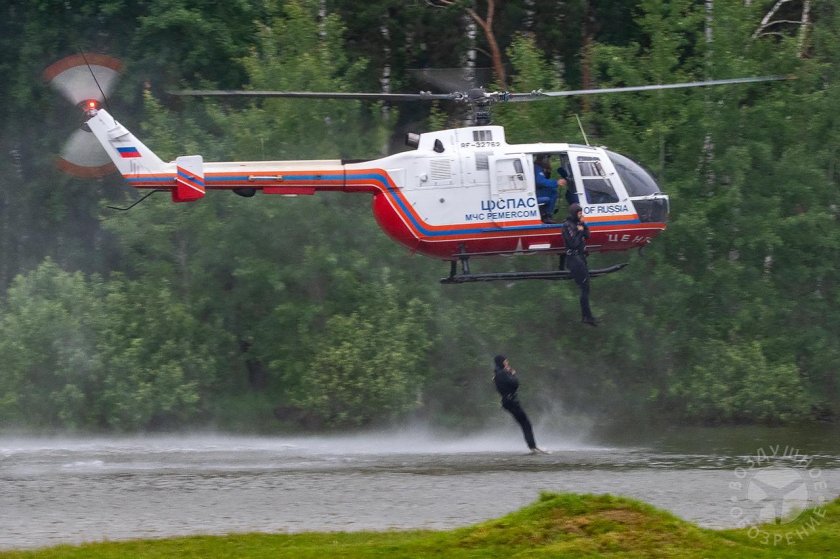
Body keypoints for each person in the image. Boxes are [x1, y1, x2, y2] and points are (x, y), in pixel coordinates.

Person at [493, 354, 548, 454]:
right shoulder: (502, 373)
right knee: (526, 423)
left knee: (524, 423)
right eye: (505, 361)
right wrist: (512, 374)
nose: (507, 363)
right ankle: (533, 446)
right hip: (511, 402)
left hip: (508, 401)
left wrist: (509, 373)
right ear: (501, 362)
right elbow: (515, 384)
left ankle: (532, 446)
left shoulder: (498, 373)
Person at [562, 203, 597, 326]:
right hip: (574, 259)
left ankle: (587, 316)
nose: (581, 215)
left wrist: (583, 225)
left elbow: (588, 235)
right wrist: (579, 231)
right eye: (579, 213)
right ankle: (586, 316)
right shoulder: (567, 225)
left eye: (581, 213)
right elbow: (573, 243)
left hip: (581, 258)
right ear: (574, 213)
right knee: (584, 287)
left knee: (586, 287)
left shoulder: (578, 224)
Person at [534, 155, 566, 223]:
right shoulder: (537, 168)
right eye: (548, 159)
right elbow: (540, 181)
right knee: (552, 193)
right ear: (544, 159)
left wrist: (548, 171)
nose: (549, 161)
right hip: (535, 192)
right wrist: (556, 182)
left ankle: (547, 214)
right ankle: (546, 215)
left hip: (537, 190)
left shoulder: (540, 167)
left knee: (552, 191)